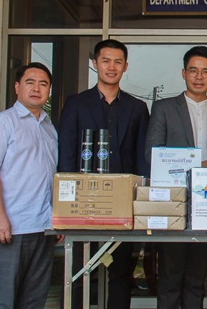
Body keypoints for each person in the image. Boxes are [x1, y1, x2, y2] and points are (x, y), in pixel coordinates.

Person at [58, 39, 150, 309]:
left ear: (126, 66)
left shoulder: (137, 107)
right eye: (106, 61)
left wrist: (139, 202)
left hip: (121, 204)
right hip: (82, 205)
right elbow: (66, 155)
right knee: (80, 272)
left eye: (118, 62)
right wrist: (65, 206)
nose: (112, 67)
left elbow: (141, 161)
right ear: (95, 63)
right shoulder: (76, 104)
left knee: (120, 273)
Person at [145, 45, 207, 309]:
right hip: (174, 201)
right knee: (170, 277)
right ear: (183, 73)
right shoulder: (163, 108)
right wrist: (198, 163)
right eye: (193, 70)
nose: (199, 76)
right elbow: (151, 154)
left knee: (197, 278)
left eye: (206, 71)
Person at [0, 63, 62, 309]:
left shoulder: (49, 128)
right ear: (17, 87)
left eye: (43, 84)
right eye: (30, 82)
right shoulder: (3, 123)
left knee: (34, 301)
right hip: (11, 228)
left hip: (42, 228)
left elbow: (51, 176)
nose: (37, 88)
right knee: (3, 300)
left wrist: (57, 217)